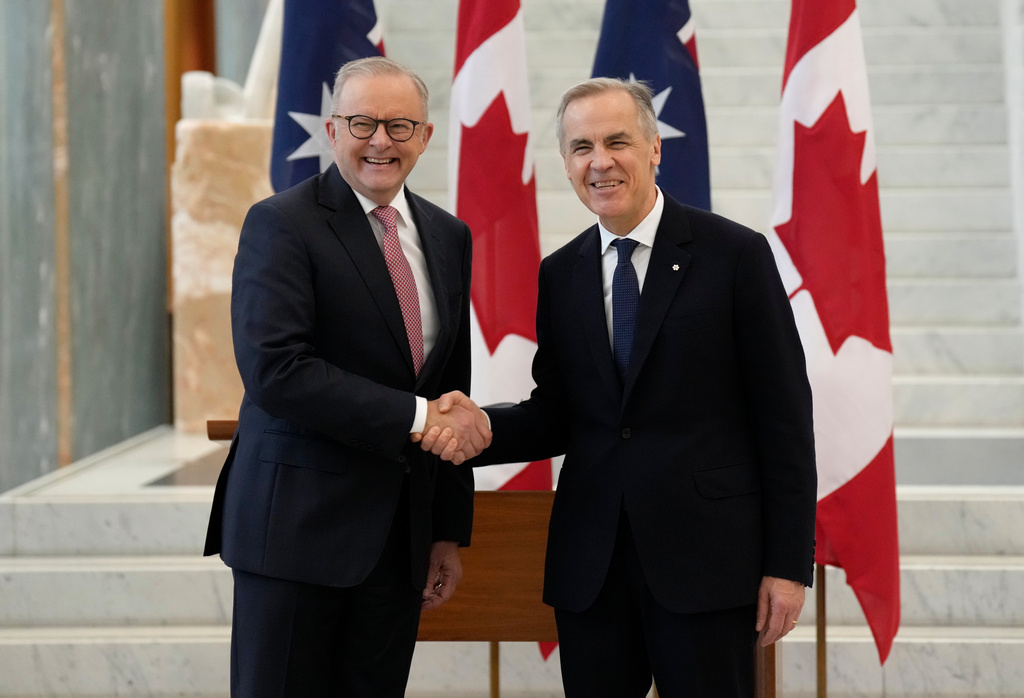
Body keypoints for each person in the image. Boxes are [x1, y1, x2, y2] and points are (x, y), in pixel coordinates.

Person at [420, 78, 817, 697]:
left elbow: (785, 418)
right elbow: (558, 414)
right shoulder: (562, 273)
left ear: (655, 148)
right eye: (581, 147)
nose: (599, 162)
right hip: (593, 568)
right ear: (566, 163)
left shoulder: (735, 255)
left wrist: (788, 567)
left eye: (617, 142)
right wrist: (478, 427)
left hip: (708, 565)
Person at [204, 56, 491, 698]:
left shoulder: (450, 235)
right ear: (333, 130)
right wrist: (419, 419)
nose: (380, 141)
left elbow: (450, 383)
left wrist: (446, 529)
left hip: (397, 542)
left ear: (425, 136)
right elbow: (278, 370)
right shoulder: (281, 223)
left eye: (398, 125)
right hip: (295, 535)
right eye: (362, 123)